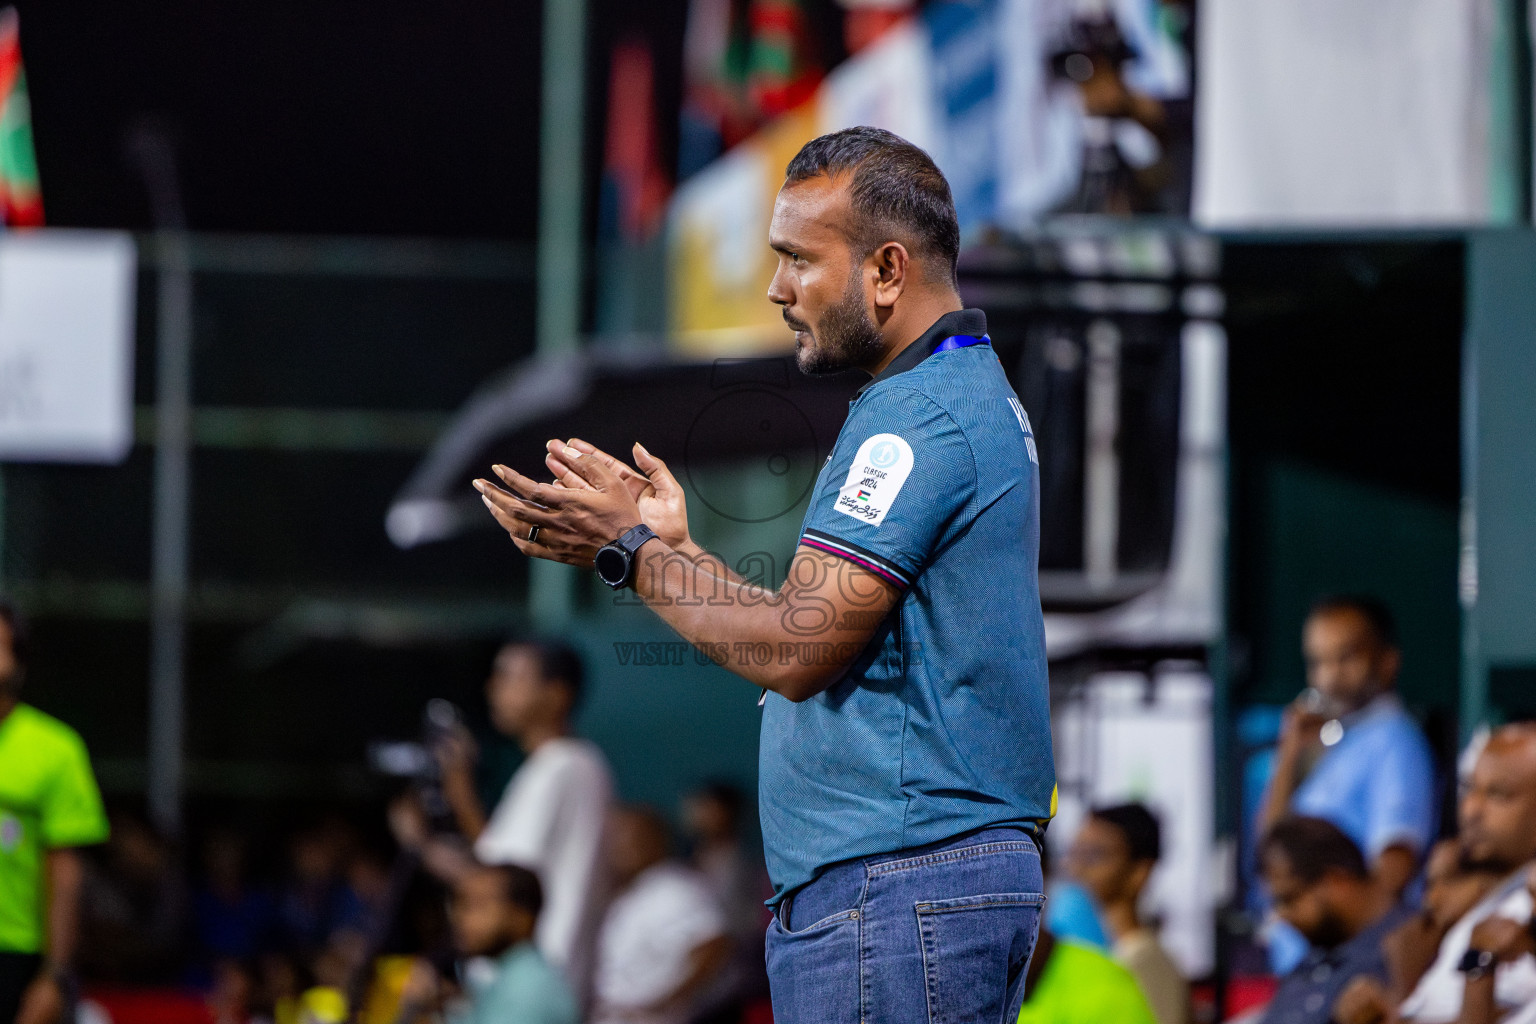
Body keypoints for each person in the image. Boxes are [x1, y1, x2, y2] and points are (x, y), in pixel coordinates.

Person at [475, 125, 1054, 1024]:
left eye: (796, 260)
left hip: (897, 887)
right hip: (905, 886)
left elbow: (797, 648)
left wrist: (630, 552)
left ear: (887, 270)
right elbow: (806, 626)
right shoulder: (940, 398)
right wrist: (676, 551)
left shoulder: (917, 421)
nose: (778, 289)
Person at [391, 639, 613, 1001]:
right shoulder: (553, 766)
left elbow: (500, 881)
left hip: (535, 989)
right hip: (524, 986)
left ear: (556, 694)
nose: (493, 688)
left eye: (510, 677)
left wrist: (450, 807)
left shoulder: (565, 765)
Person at [1259, 596, 1437, 902]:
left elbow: (1395, 869)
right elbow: (1268, 849)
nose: (1330, 676)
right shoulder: (1330, 740)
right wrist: (1291, 753)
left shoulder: (1395, 740)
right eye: (1318, 661)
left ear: (1387, 661)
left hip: (1346, 948)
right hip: (1302, 947)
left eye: (1346, 658)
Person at [0, 602, 109, 1024]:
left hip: (16, 953)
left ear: (19, 663)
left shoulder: (56, 750)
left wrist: (54, 976)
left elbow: (65, 876)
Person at [1392, 724, 1536, 1023]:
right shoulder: (1492, 899)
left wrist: (1479, 964)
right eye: (1470, 788)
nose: (1471, 810)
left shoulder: (1523, 917)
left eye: (1498, 794)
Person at [1256, 817, 1413, 1024]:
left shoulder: (1409, 948)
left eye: (1289, 899)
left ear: (1337, 880)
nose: (1283, 916)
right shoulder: (1316, 955)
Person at [590, 806, 730, 1024]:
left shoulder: (675, 887)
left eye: (630, 835)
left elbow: (714, 946)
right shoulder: (630, 891)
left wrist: (664, 1003)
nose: (619, 844)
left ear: (656, 840)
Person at [397, 863, 578, 1024]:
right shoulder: (507, 977)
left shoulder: (528, 989)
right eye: (461, 905)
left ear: (522, 917)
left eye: (479, 905)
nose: (461, 917)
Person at [1068, 804, 1190, 1024]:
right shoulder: (1090, 950)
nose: (1077, 868)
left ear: (1140, 871)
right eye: (1074, 853)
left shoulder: (1148, 965)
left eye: (1094, 854)